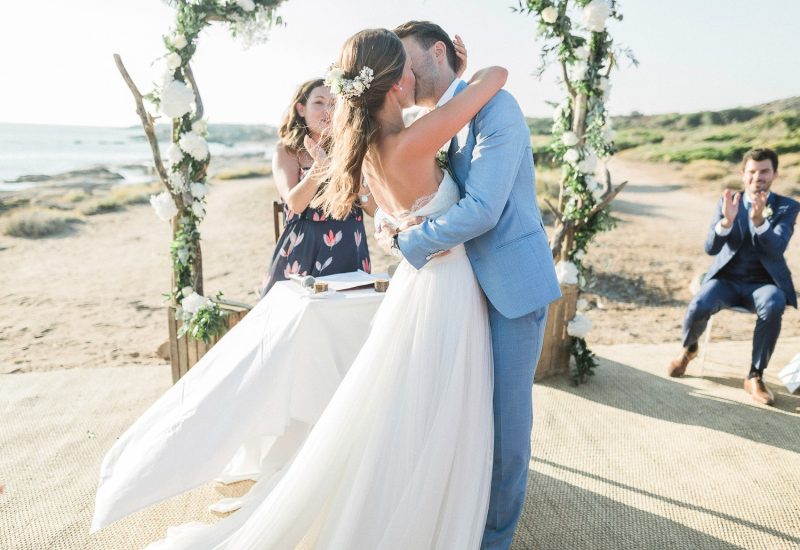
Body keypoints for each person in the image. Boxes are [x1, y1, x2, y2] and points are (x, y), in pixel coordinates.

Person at [92, 29, 511, 548]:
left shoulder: (374, 147)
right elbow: (498, 78)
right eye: (404, 66)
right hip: (444, 286)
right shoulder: (412, 140)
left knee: (414, 397)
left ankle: (412, 491)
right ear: (396, 83)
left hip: (422, 283)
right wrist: (458, 75)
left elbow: (399, 196)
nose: (412, 72)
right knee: (443, 400)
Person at [376, 21, 561, 549]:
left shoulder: (498, 108)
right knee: (460, 416)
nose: (401, 74)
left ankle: (493, 539)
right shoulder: (437, 118)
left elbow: (483, 208)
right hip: (456, 291)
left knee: (505, 431)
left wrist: (408, 244)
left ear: (438, 53)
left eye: (407, 62)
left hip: (509, 289)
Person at [668, 148, 799, 406]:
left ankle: (754, 375)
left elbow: (777, 247)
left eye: (764, 171)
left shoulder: (787, 206)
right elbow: (711, 248)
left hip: (764, 284)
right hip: (726, 280)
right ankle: (689, 349)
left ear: (775, 174)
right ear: (742, 174)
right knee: (699, 304)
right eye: (752, 171)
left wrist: (760, 221)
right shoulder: (728, 201)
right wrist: (726, 223)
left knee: (774, 305)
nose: (757, 177)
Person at [259, 79, 373, 297]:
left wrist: (355, 175)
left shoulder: (353, 147)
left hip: (350, 247)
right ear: (301, 108)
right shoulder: (287, 150)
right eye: (319, 102)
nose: (328, 110)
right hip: (304, 250)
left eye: (334, 103)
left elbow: (371, 209)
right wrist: (320, 166)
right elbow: (295, 203)